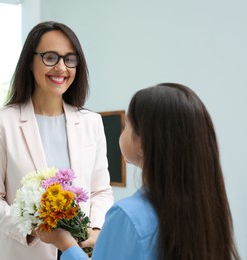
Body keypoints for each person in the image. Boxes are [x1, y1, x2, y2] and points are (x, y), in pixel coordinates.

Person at [37, 83, 240, 260]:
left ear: (142, 143)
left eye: (127, 125)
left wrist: (65, 244)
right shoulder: (206, 209)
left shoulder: (127, 217)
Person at [0, 21, 114, 260]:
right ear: (30, 61)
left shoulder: (91, 122)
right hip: (21, 253)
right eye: (50, 57)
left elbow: (101, 190)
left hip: (81, 252)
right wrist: (32, 227)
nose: (61, 67)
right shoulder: (0, 122)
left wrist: (96, 229)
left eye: (70, 59)